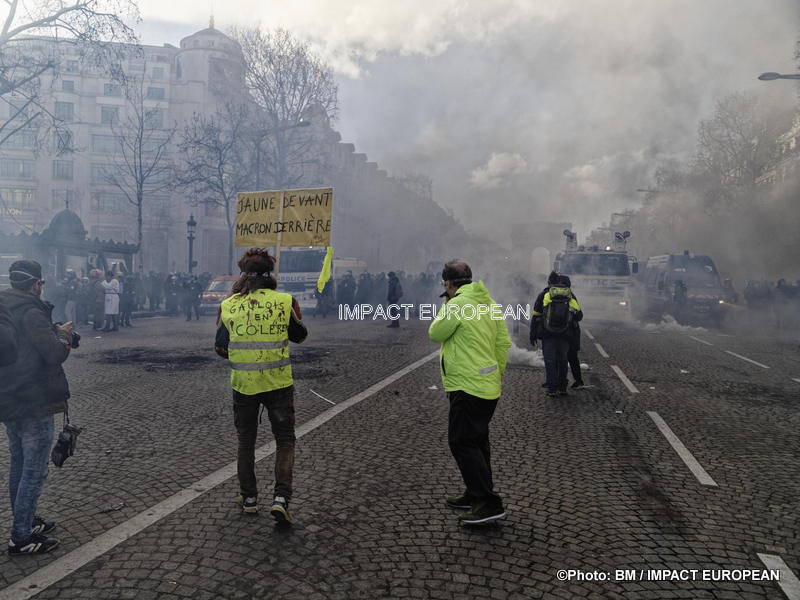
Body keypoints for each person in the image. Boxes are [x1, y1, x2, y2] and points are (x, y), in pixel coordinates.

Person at [215, 248, 307, 524]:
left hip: (244, 384)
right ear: (270, 274)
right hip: (278, 382)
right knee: (285, 439)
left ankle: (249, 499)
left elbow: (220, 348)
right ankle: (281, 499)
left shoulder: (228, 305)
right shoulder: (285, 301)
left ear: (244, 274)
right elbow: (300, 336)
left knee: (246, 442)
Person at [0, 260, 75, 555]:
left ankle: (27, 521)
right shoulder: (32, 311)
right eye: (41, 284)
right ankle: (20, 537)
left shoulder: (6, 307)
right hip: (34, 400)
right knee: (33, 471)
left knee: (19, 466)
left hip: (10, 397)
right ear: (35, 284)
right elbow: (54, 353)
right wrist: (64, 335)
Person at [429, 260, 511, 526]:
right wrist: (497, 374)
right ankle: (475, 493)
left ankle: (488, 503)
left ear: (448, 284)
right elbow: (503, 342)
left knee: (462, 442)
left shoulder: (457, 304)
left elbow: (435, 333)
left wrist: (448, 304)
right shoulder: (489, 303)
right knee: (477, 442)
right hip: (487, 384)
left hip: (466, 385)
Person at [531, 272, 582, 397]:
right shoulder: (570, 295)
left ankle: (552, 388)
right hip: (565, 335)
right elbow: (579, 316)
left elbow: (536, 315)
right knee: (563, 360)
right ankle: (562, 387)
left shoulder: (545, 294)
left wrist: (533, 333)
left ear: (549, 282)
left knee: (550, 361)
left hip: (548, 333)